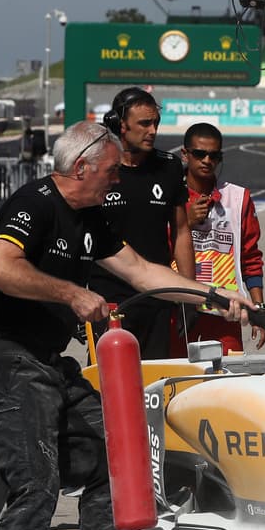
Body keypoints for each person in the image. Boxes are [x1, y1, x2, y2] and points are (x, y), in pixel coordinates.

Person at [0, 121, 249, 530]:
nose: (116, 180)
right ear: (82, 167)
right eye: (112, 171)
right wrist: (72, 294)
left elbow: (142, 272)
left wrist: (213, 296)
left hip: (49, 363)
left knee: (126, 453)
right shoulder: (35, 203)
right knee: (37, 481)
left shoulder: (93, 217)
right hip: (5, 359)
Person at [88, 87, 193, 359]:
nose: (153, 131)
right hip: (108, 299)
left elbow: (182, 231)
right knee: (109, 386)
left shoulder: (169, 167)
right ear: (120, 125)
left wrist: (189, 297)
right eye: (144, 124)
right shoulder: (98, 170)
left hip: (157, 296)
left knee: (154, 387)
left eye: (156, 123)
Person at [175, 122, 265, 354]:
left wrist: (259, 308)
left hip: (225, 315)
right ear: (185, 154)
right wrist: (185, 222)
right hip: (178, 314)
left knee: (225, 385)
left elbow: (251, 259)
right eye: (199, 154)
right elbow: (151, 253)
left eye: (214, 155)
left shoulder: (238, 198)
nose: (207, 160)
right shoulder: (168, 194)